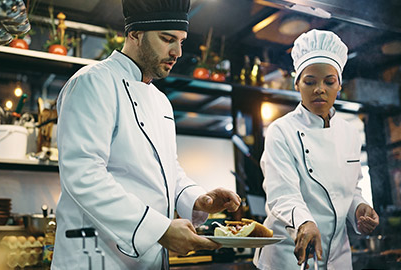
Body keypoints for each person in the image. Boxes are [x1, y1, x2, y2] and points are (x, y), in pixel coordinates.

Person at [52, 0, 241, 269]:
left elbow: (168, 172)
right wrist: (161, 230)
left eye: (181, 41)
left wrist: (198, 199)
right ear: (135, 34)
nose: (177, 52)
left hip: (149, 259)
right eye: (167, 39)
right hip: (96, 257)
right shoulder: (93, 81)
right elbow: (83, 175)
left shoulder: (161, 101)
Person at [253, 29, 379, 270]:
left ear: (339, 85)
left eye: (329, 82)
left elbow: (350, 190)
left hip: (338, 255)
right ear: (297, 84)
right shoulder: (281, 130)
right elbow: (281, 193)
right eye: (310, 81)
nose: (319, 89)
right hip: (288, 256)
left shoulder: (350, 132)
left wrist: (359, 208)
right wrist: (304, 222)